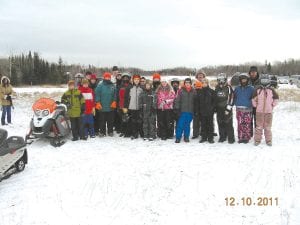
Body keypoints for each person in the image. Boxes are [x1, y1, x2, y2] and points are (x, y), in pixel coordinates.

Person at [252, 74, 279, 146]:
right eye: (263, 80)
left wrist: (272, 105)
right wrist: (255, 105)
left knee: (267, 127)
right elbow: (253, 99)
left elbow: (276, 98)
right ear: (260, 81)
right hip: (259, 112)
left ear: (268, 81)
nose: (264, 82)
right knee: (259, 127)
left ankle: (268, 140)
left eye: (266, 80)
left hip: (268, 112)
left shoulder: (271, 90)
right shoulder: (257, 90)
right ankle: (257, 140)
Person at [234, 73, 254, 144]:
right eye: (242, 79)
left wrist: (250, 103)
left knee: (247, 124)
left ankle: (246, 137)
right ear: (240, 80)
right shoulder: (237, 88)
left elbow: (254, 98)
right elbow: (234, 96)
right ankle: (241, 137)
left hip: (248, 109)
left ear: (247, 80)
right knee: (240, 124)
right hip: (239, 109)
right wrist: (236, 102)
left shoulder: (251, 88)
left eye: (245, 79)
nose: (243, 80)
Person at [95, 72, 117, 137]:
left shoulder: (113, 86)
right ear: (104, 78)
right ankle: (102, 132)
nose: (107, 78)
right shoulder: (100, 86)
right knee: (102, 121)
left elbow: (115, 94)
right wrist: (98, 102)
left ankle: (110, 131)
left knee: (110, 120)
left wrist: (114, 101)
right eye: (106, 77)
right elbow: (97, 94)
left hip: (111, 107)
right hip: (102, 107)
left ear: (110, 78)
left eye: (108, 77)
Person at [215, 73, 235, 144]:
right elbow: (215, 98)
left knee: (228, 123)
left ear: (225, 80)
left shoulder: (229, 88)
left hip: (227, 108)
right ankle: (222, 137)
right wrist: (215, 107)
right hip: (219, 108)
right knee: (220, 123)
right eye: (219, 80)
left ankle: (231, 138)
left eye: (222, 79)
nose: (221, 81)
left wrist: (228, 108)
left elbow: (232, 98)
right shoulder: (217, 87)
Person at [195, 78, 216, 144]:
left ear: (207, 83)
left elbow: (214, 101)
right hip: (202, 111)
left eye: (205, 83)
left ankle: (210, 138)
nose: (204, 84)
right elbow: (197, 102)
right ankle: (203, 137)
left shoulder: (211, 91)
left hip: (210, 111)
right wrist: (198, 110)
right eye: (203, 83)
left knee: (210, 125)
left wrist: (212, 109)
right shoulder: (199, 92)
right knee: (203, 125)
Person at [174, 78, 194, 143]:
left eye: (189, 83)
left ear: (191, 84)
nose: (187, 84)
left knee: (187, 125)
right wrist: (177, 109)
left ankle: (186, 137)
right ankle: (178, 137)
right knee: (180, 125)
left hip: (190, 111)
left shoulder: (194, 91)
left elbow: (195, 101)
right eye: (186, 83)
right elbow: (177, 100)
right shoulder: (180, 90)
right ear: (184, 84)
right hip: (182, 111)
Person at [124, 74, 143, 139]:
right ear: (133, 80)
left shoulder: (142, 88)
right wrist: (125, 107)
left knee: (140, 121)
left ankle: (140, 132)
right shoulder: (129, 88)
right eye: (135, 79)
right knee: (133, 121)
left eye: (138, 79)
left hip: (139, 107)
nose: (136, 81)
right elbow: (126, 98)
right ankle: (134, 133)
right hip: (131, 107)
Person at [118, 73, 132, 137]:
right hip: (122, 105)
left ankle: (128, 132)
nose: (125, 79)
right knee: (123, 119)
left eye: (127, 78)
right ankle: (122, 131)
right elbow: (118, 96)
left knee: (128, 119)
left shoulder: (131, 86)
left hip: (129, 104)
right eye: (124, 78)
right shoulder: (120, 86)